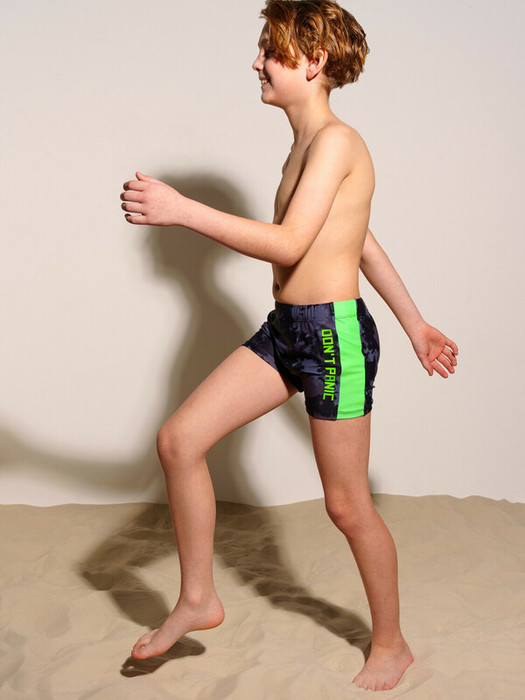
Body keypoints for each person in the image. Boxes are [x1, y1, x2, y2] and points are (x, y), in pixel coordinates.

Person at [120, 0, 458, 691]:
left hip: (333, 338)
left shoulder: (337, 142)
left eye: (270, 51)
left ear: (314, 61)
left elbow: (291, 244)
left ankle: (391, 644)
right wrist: (416, 323)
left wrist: (183, 210)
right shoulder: (305, 146)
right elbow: (359, 239)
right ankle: (198, 599)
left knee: (346, 506)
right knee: (179, 441)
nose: (256, 63)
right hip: (287, 332)